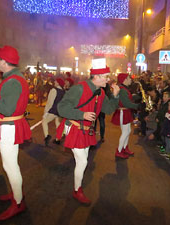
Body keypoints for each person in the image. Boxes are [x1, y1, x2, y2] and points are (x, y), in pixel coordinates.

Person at [56, 65, 120, 205]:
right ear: (96, 77)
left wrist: (115, 97)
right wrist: (82, 114)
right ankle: (77, 190)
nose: (108, 79)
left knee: (83, 160)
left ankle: (77, 187)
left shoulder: (101, 92)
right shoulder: (78, 89)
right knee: (83, 161)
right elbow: (61, 108)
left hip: (86, 130)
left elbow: (108, 110)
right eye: (106, 76)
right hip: (74, 127)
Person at [0, 45, 31, 221]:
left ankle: (18, 203)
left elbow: (7, 109)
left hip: (8, 127)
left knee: (10, 166)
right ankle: (16, 194)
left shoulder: (12, 81)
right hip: (10, 126)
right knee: (10, 165)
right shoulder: (14, 78)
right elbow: (5, 104)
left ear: (4, 61)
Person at [111, 73, 139, 159]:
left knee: (127, 131)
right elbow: (126, 103)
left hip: (125, 112)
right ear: (124, 80)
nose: (130, 80)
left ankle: (124, 148)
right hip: (123, 112)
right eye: (129, 78)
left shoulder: (124, 88)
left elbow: (126, 100)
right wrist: (137, 106)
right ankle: (119, 151)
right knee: (125, 132)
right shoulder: (123, 90)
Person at [42, 77, 65, 146]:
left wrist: (45, 112)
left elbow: (50, 102)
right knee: (57, 123)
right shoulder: (63, 91)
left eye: (55, 81)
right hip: (59, 111)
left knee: (44, 121)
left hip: (53, 110)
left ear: (58, 83)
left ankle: (47, 136)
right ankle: (59, 138)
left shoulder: (54, 90)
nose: (54, 82)